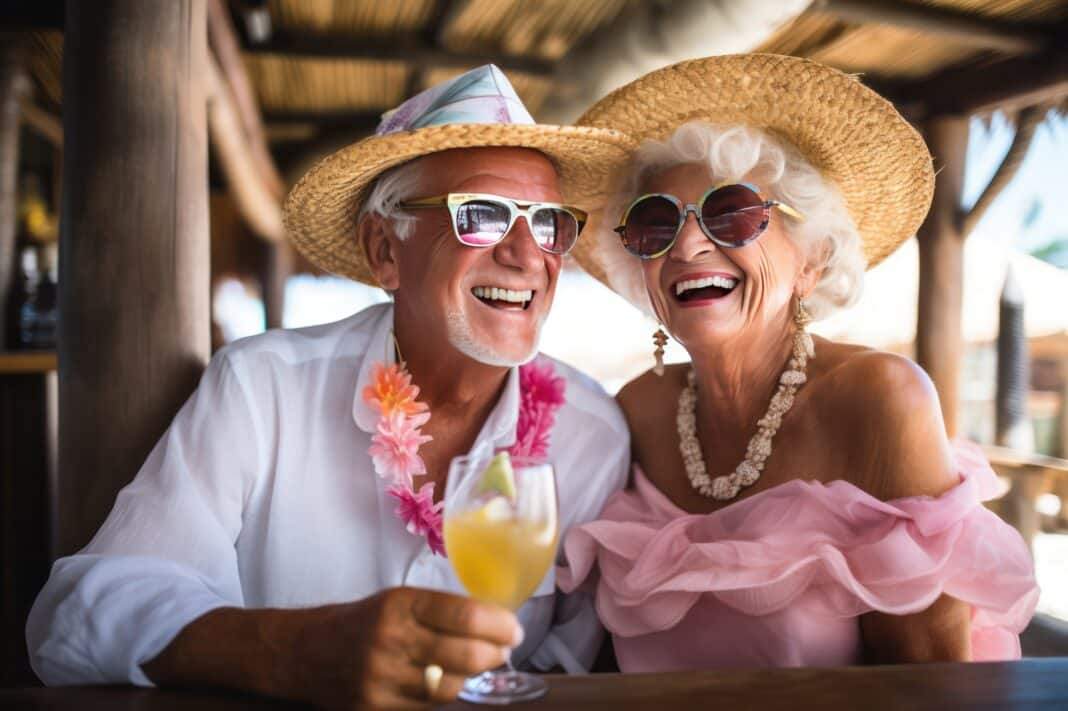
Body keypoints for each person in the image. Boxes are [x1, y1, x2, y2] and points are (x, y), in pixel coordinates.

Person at [27, 65, 635, 708]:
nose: (525, 254)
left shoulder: (591, 434)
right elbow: (70, 619)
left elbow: (566, 666)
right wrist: (288, 649)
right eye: (479, 216)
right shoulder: (261, 390)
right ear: (385, 251)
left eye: (548, 224)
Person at [558, 54, 1039, 672]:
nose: (687, 243)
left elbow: (932, 682)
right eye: (656, 224)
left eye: (731, 213)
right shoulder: (637, 410)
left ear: (810, 261)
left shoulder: (880, 399)